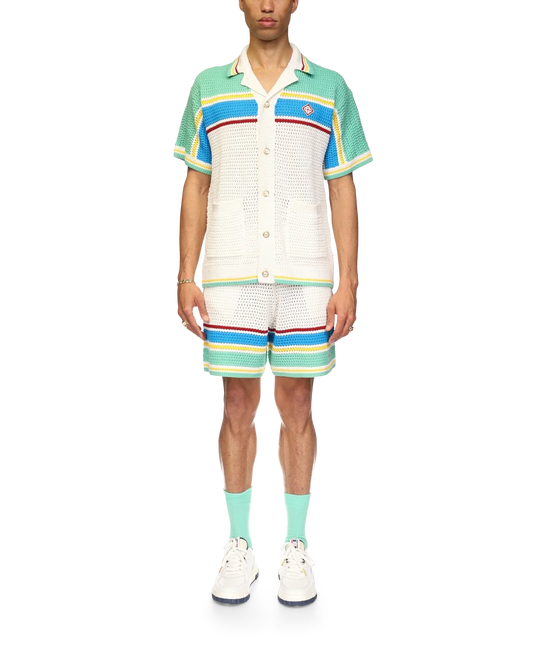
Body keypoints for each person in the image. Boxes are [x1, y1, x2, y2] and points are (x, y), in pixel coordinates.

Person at [172, 0, 375, 606]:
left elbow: (343, 185)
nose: (267, 5)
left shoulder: (331, 86)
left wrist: (348, 279)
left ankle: (296, 544)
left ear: (296, 3)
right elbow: (195, 182)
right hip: (229, 272)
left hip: (306, 273)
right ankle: (237, 542)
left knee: (298, 402)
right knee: (236, 402)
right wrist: (185, 275)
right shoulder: (207, 85)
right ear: (238, 2)